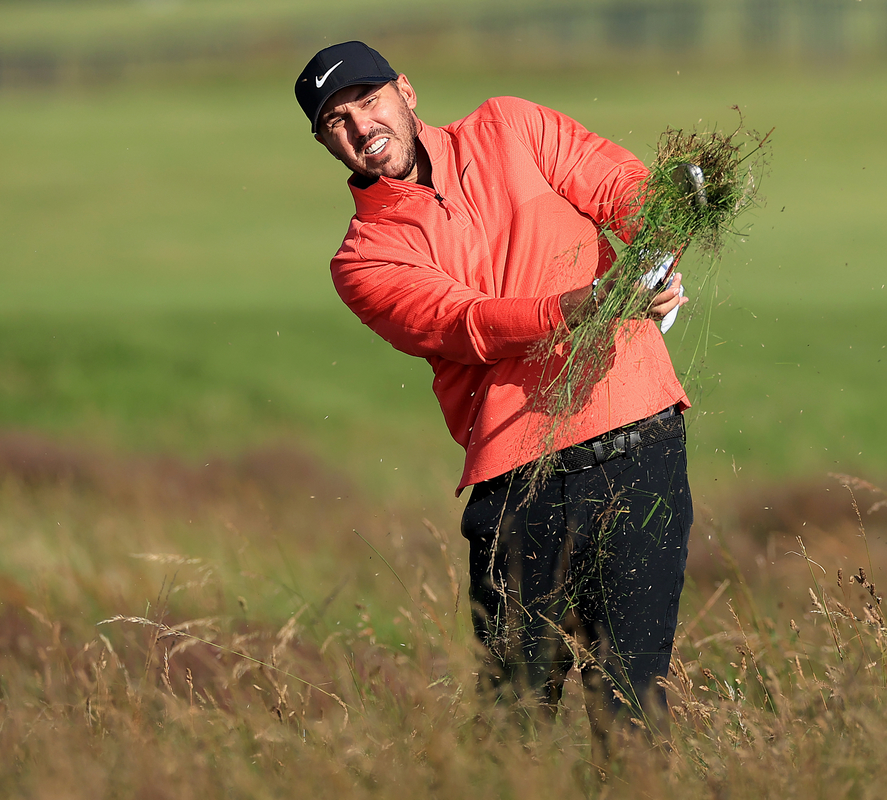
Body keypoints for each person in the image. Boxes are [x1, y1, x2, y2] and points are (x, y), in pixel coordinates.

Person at [294, 41, 693, 757]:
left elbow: (624, 189)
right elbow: (466, 323)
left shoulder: (511, 125)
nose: (361, 127)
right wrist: (587, 304)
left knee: (631, 708)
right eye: (336, 122)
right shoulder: (362, 258)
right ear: (325, 143)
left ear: (406, 92)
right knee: (516, 719)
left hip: (638, 443)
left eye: (368, 102)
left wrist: (659, 252)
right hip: (519, 483)